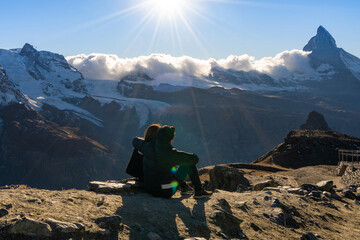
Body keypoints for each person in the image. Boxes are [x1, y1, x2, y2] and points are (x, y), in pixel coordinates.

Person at [132, 125, 212, 199]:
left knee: (171, 167)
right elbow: (195, 159)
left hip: (148, 187)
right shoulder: (171, 153)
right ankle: (199, 191)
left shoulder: (146, 146)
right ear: (170, 139)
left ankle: (185, 187)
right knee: (188, 164)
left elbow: (134, 140)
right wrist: (180, 156)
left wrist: (146, 142)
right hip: (164, 189)